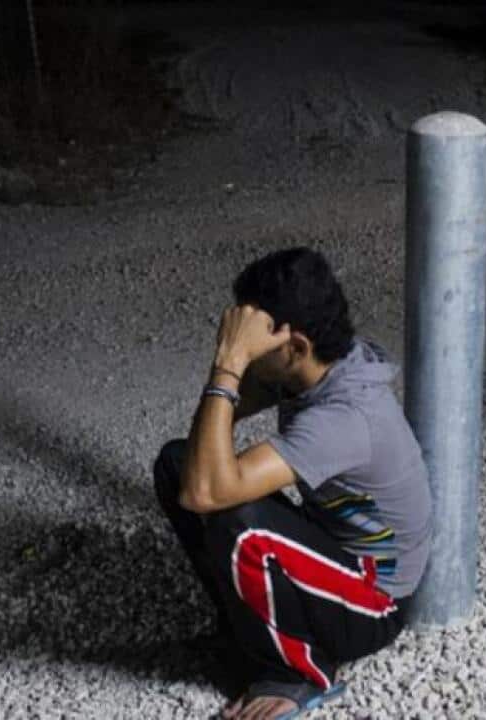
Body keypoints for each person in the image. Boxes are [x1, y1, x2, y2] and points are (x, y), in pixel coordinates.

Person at [152, 246, 433, 720]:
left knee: (240, 523)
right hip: (335, 549)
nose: (248, 355)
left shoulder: (345, 418)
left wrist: (229, 362)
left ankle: (299, 673)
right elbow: (209, 445)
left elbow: (208, 491)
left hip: (372, 605)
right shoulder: (320, 362)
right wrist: (237, 368)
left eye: (259, 346)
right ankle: (246, 632)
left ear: (296, 347)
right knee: (179, 464)